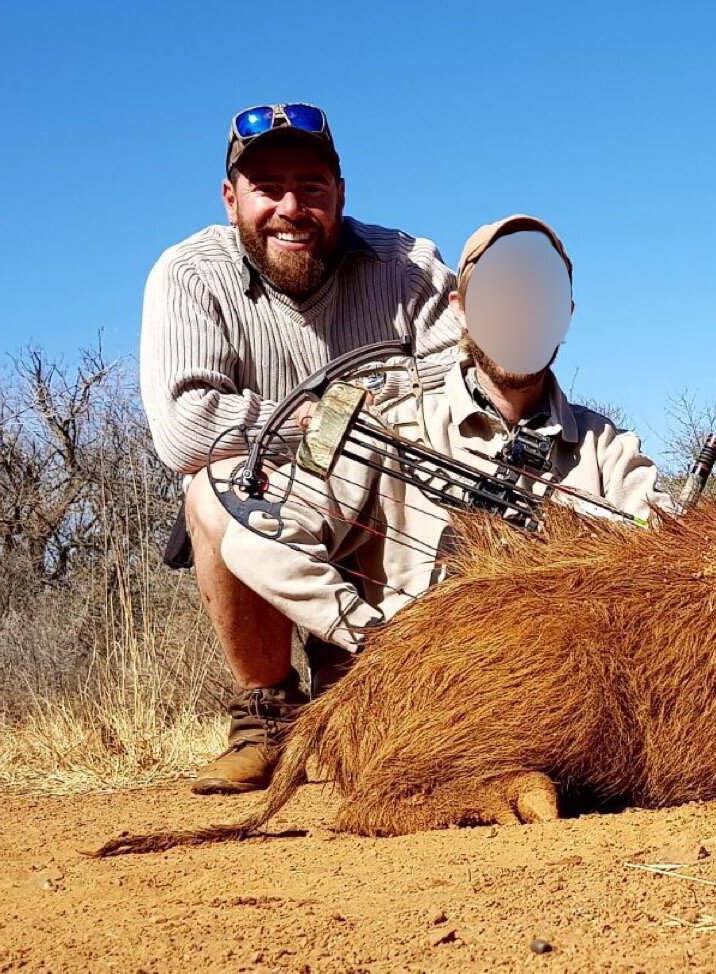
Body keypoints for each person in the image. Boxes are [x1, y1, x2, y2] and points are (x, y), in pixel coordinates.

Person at [215, 215, 670, 791]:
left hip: (560, 691)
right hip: (415, 698)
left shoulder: (605, 445)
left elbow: (663, 560)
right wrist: (378, 638)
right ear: (459, 306)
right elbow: (254, 537)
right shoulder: (387, 416)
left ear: (567, 316)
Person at [138, 103, 463, 794]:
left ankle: (364, 684)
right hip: (275, 498)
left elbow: (458, 402)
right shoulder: (188, 273)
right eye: (268, 188)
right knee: (212, 486)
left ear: (341, 195)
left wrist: (372, 429)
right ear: (232, 199)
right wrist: (333, 415)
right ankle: (269, 715)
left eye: (313, 188)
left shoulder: (412, 266)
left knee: (458, 474)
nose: (292, 207)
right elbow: (185, 430)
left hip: (392, 499)